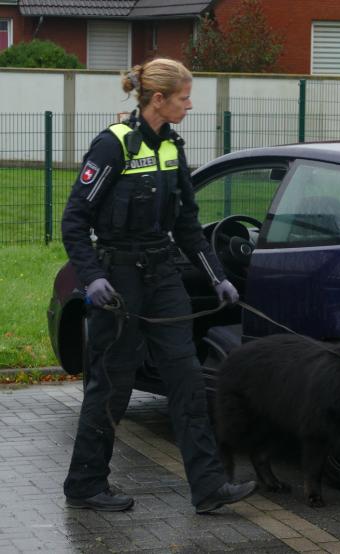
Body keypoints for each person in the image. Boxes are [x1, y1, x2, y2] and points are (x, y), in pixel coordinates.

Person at [61, 58, 257, 514]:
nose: (190, 106)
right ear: (158, 99)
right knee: (113, 386)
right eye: (184, 98)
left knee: (187, 379)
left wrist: (219, 278)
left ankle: (208, 487)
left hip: (163, 274)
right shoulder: (114, 147)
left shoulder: (173, 147)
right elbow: (74, 221)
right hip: (120, 280)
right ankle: (85, 484)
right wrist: (93, 278)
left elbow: (188, 227)